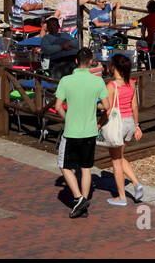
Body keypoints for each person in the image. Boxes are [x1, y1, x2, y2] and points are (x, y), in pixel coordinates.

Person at [55, 47, 109, 218]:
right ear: (91, 62)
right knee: (86, 168)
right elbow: (107, 106)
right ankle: (83, 204)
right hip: (90, 131)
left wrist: (66, 118)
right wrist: (95, 106)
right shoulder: (98, 81)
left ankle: (78, 198)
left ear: (76, 62)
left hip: (72, 131)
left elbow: (57, 106)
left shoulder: (66, 80)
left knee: (64, 166)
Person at [100, 54, 145, 206]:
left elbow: (108, 110)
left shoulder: (112, 86)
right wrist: (137, 125)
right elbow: (135, 106)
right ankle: (136, 183)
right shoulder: (131, 83)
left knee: (116, 160)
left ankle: (121, 196)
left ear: (113, 67)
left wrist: (99, 125)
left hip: (117, 124)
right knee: (120, 155)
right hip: (129, 123)